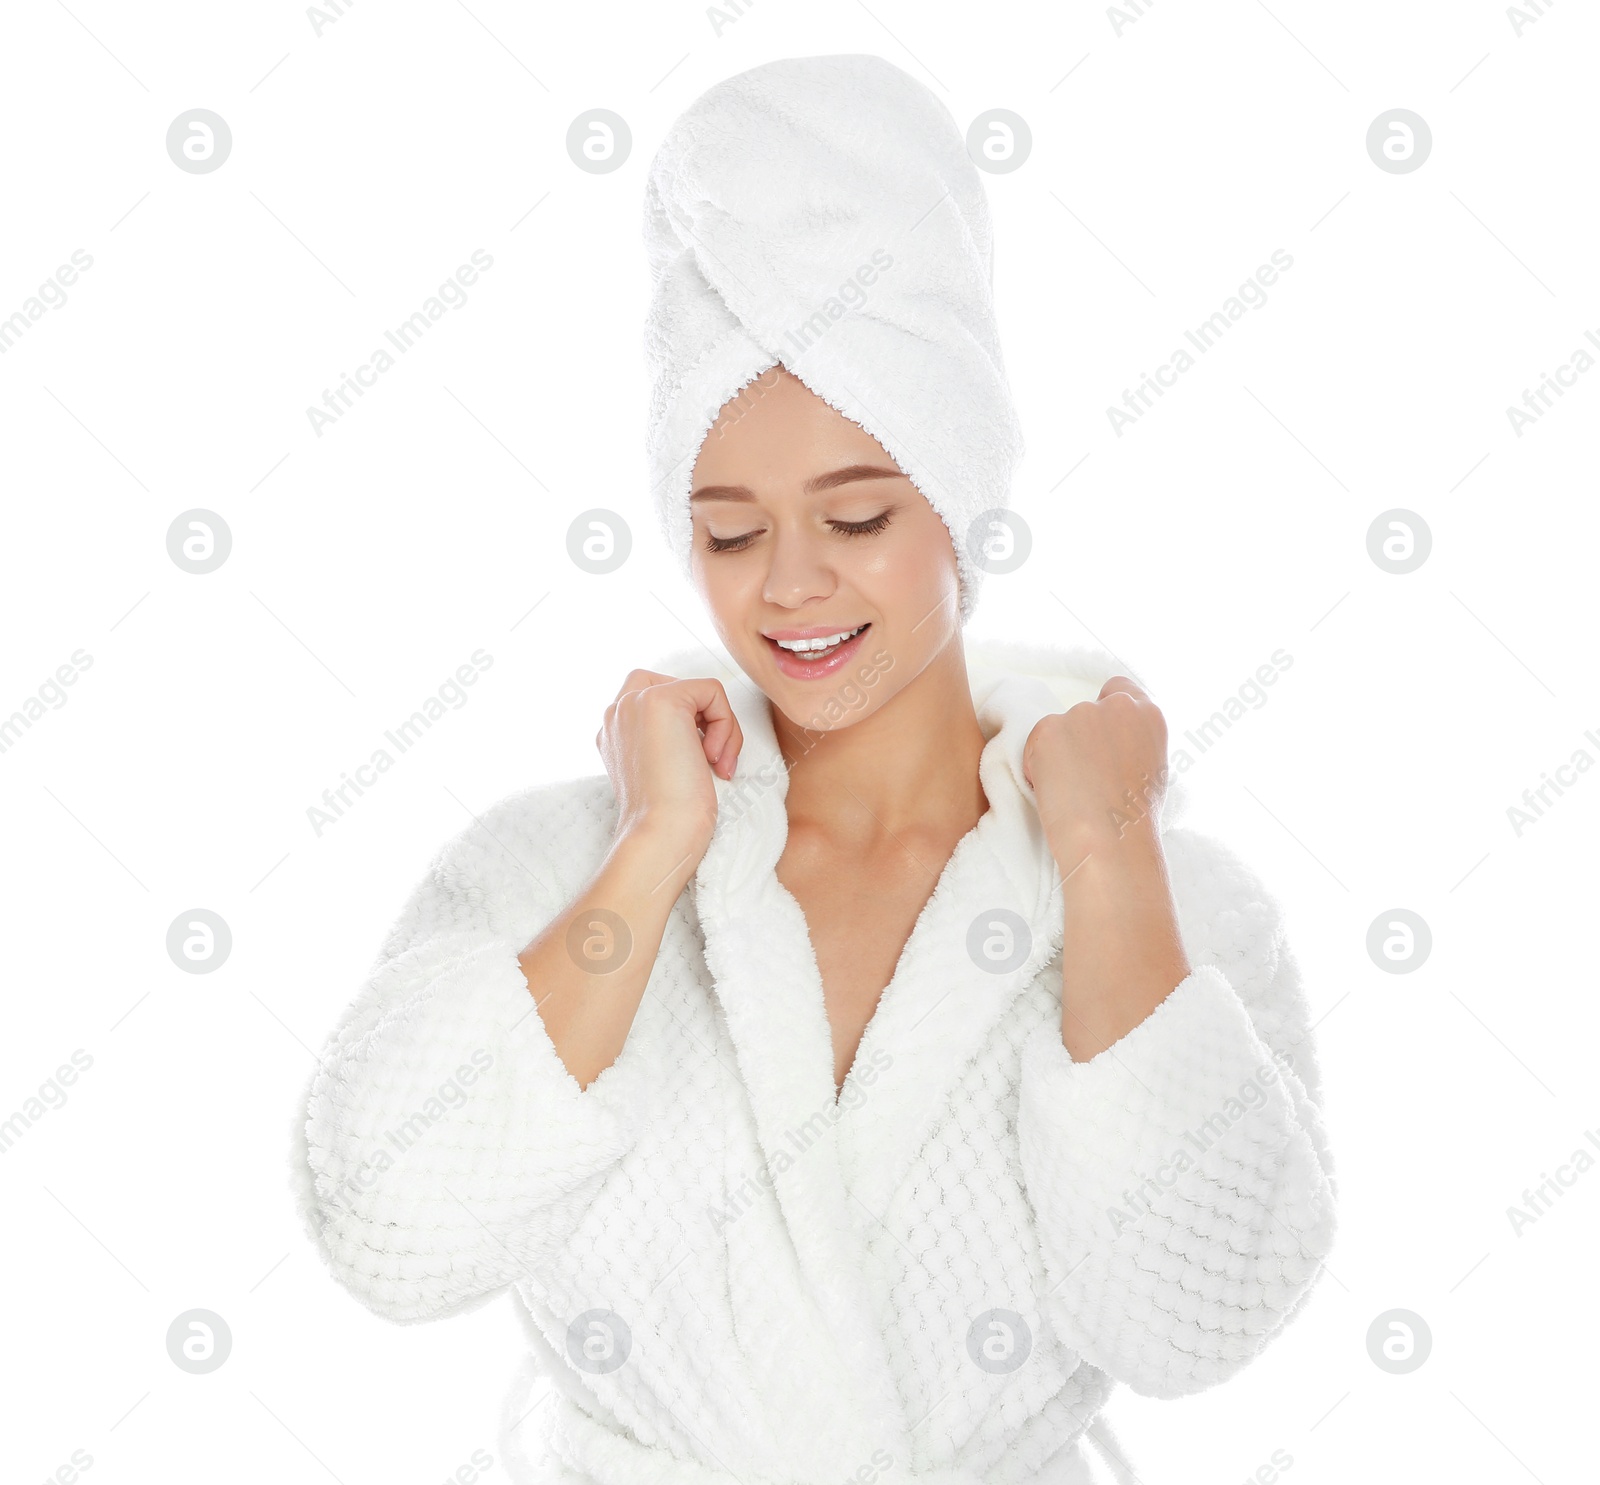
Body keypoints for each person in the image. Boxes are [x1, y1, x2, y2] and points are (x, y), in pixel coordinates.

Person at [291, 53, 1336, 1485]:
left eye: (855, 513)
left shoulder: (1178, 908)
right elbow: (386, 1225)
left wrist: (1105, 853)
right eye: (727, 532)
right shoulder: (548, 869)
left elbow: (1194, 1315)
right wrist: (655, 850)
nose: (790, 586)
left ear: (958, 498)